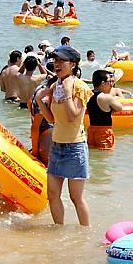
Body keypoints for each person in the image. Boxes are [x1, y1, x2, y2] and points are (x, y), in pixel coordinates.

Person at [35, 45, 93, 226]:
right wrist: (39, 100)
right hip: (57, 145)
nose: (56, 64)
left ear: (73, 64)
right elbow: (52, 119)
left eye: (61, 61)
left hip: (75, 147)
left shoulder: (79, 87)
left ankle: (85, 234)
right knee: (52, 194)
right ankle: (58, 231)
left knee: (76, 198)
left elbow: (72, 116)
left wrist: (68, 93)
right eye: (55, 60)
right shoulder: (56, 86)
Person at [87, 69, 123, 150]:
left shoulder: (88, 95)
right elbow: (119, 108)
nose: (111, 85)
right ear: (102, 83)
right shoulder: (106, 97)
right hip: (104, 131)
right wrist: (115, 98)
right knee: (105, 157)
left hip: (91, 130)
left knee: (93, 156)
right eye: (109, 82)